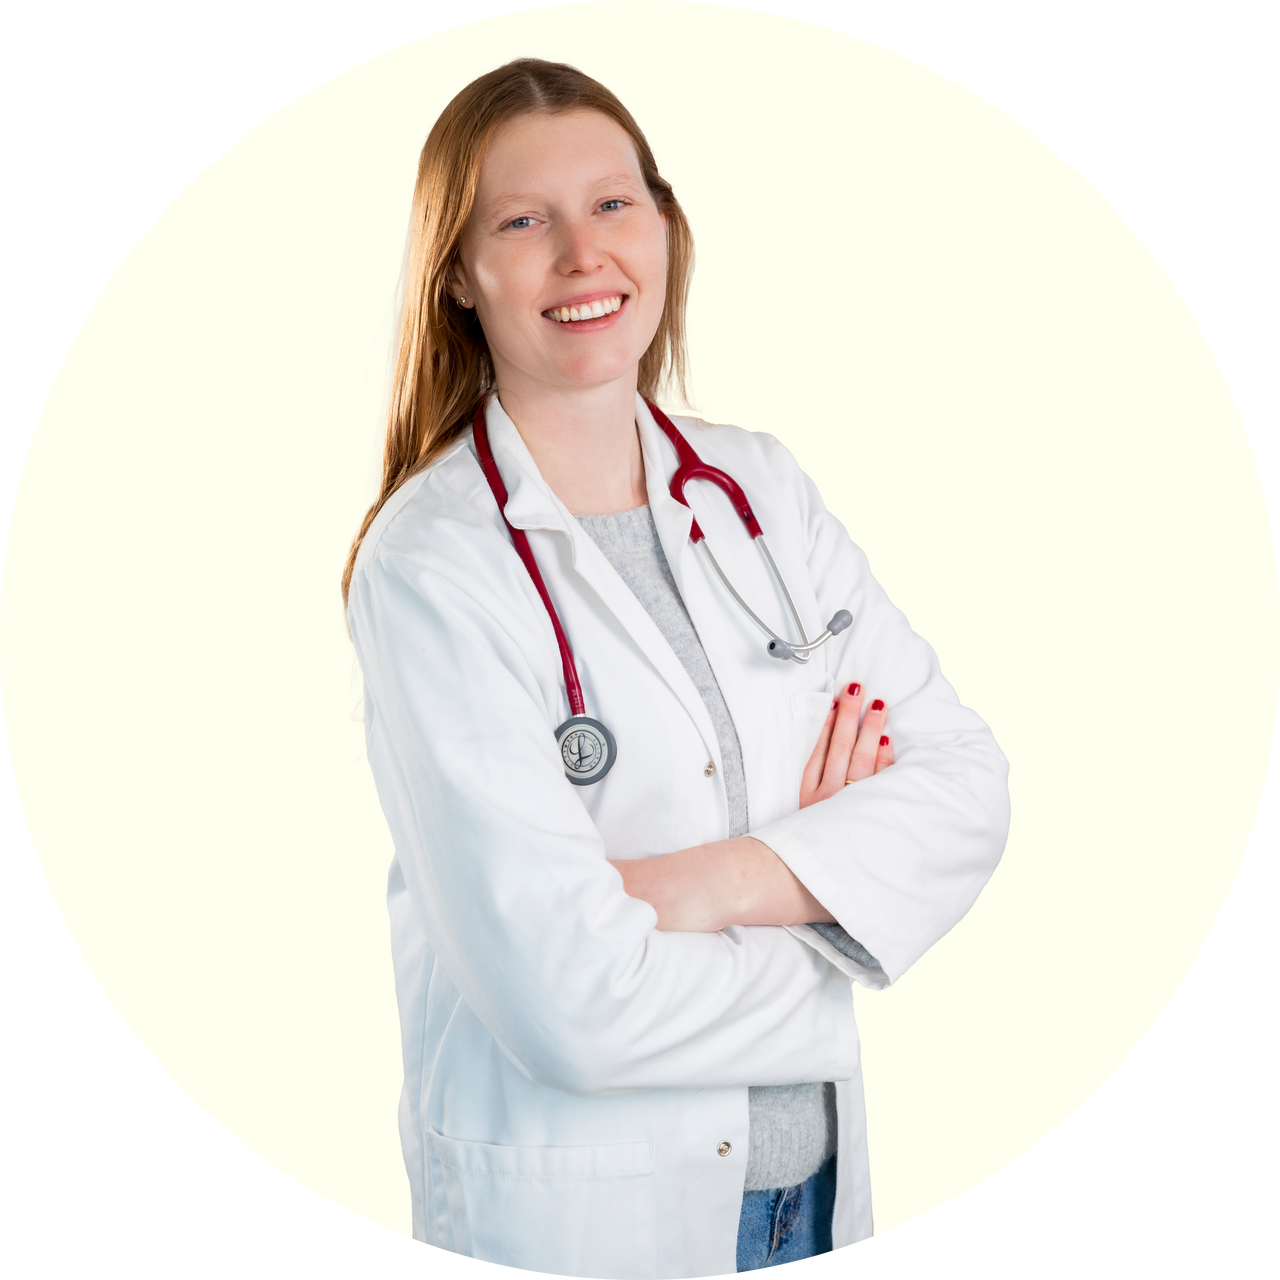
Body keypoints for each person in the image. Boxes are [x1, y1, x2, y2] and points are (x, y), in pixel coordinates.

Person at [343, 58, 1009, 1278]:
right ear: (458, 274)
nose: (580, 254)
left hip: (807, 1197)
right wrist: (834, 900)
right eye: (522, 221)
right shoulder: (432, 563)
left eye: (611, 203)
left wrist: (686, 886)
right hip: (590, 1222)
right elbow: (569, 998)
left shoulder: (758, 489)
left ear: (664, 225)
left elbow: (963, 786)